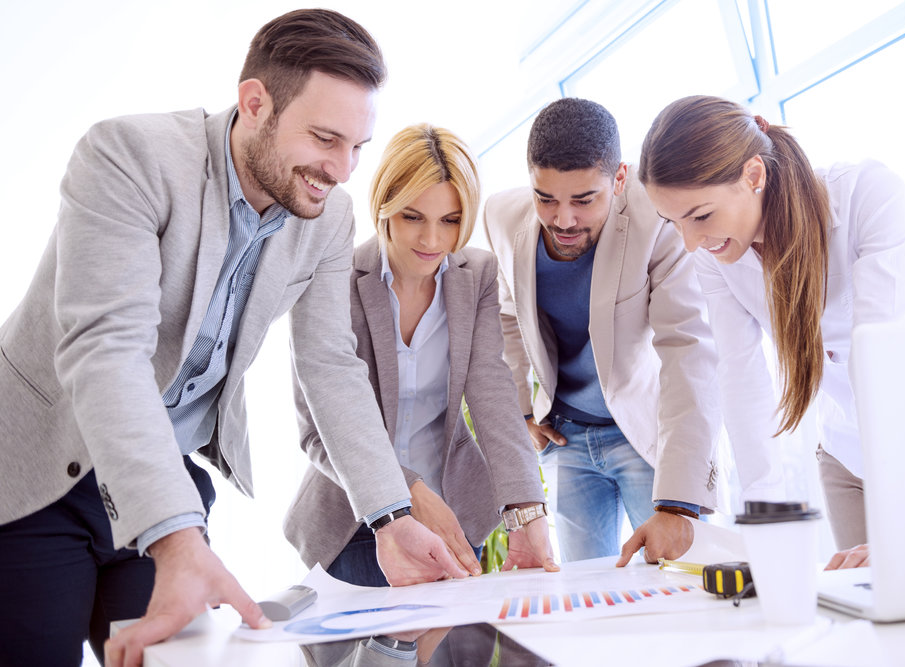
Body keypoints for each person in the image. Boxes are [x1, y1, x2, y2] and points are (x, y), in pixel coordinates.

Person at [0, 10, 467, 667]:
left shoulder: (326, 216)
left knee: (174, 660)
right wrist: (175, 533)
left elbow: (331, 365)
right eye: (326, 138)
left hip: (166, 475)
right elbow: (107, 350)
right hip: (42, 472)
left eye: (357, 146)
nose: (342, 169)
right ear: (255, 102)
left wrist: (389, 516)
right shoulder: (128, 156)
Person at [637, 95, 905, 569]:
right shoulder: (719, 259)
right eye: (675, 223)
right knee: (865, 617)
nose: (690, 245)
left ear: (754, 175)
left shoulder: (866, 196)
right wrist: (765, 521)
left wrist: (904, 529)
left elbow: (881, 358)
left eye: (701, 216)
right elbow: (741, 377)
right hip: (843, 459)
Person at [284, 124, 558, 585]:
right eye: (413, 217)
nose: (433, 240)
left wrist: (526, 510)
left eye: (450, 221)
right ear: (385, 208)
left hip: (452, 516)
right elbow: (317, 432)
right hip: (351, 521)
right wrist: (409, 489)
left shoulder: (477, 275)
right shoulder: (336, 277)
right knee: (371, 656)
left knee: (451, 653)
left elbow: (492, 394)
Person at [483, 98, 729, 564]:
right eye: (546, 198)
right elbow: (508, 316)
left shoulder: (657, 217)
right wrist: (521, 412)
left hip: (644, 435)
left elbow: (688, 348)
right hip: (567, 440)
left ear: (619, 179)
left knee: (683, 583)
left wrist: (679, 500)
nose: (563, 219)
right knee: (585, 598)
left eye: (584, 200)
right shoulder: (500, 217)